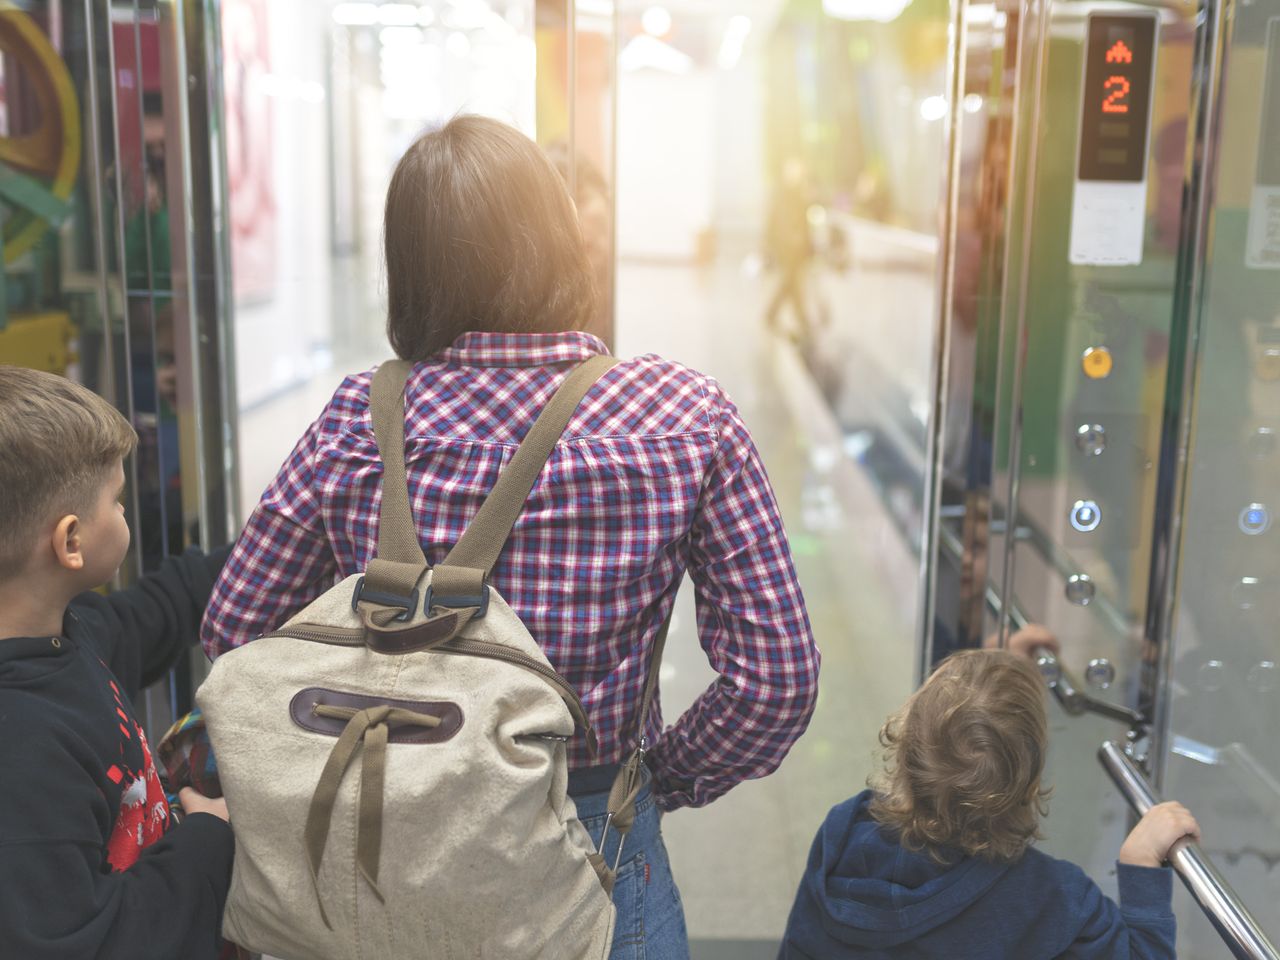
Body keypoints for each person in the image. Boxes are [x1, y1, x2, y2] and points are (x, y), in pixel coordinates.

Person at [200, 114, 821, 958]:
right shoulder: (683, 419)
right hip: (593, 842)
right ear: (563, 241)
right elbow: (775, 684)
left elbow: (235, 632)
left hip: (373, 850)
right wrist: (658, 780)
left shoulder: (361, 416)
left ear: (410, 270)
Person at [0, 366, 235, 959]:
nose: (125, 514)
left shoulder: (67, 631)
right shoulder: (22, 748)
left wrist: (282, 542)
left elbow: (159, 609)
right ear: (71, 541)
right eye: (119, 502)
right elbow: (87, 944)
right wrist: (209, 839)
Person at [779, 649, 1199, 959]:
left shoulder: (843, 836)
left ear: (906, 748)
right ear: (1030, 784)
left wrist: (992, 681)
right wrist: (1141, 863)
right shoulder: (1054, 899)